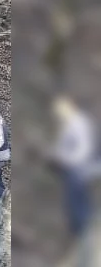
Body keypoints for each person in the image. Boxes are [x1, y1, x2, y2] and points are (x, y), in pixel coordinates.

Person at [49, 95, 98, 238]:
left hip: (80, 170)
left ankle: (86, 234)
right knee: (73, 204)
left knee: (79, 205)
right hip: (71, 170)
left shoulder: (79, 123)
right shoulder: (70, 124)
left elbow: (84, 149)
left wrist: (66, 160)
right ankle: (81, 233)